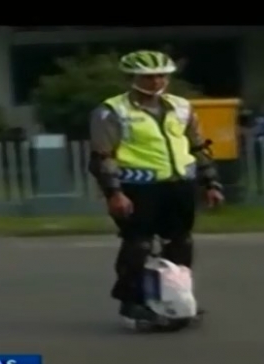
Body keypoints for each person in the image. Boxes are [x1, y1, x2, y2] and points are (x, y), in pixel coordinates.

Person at [88, 50, 224, 326]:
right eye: (148, 77)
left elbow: (198, 147)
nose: (156, 81)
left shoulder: (181, 107)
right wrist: (114, 192)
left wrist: (211, 183)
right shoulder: (112, 111)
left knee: (181, 242)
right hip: (137, 188)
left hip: (179, 185)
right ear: (132, 78)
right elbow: (102, 157)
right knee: (138, 244)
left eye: (162, 75)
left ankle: (174, 298)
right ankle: (131, 303)